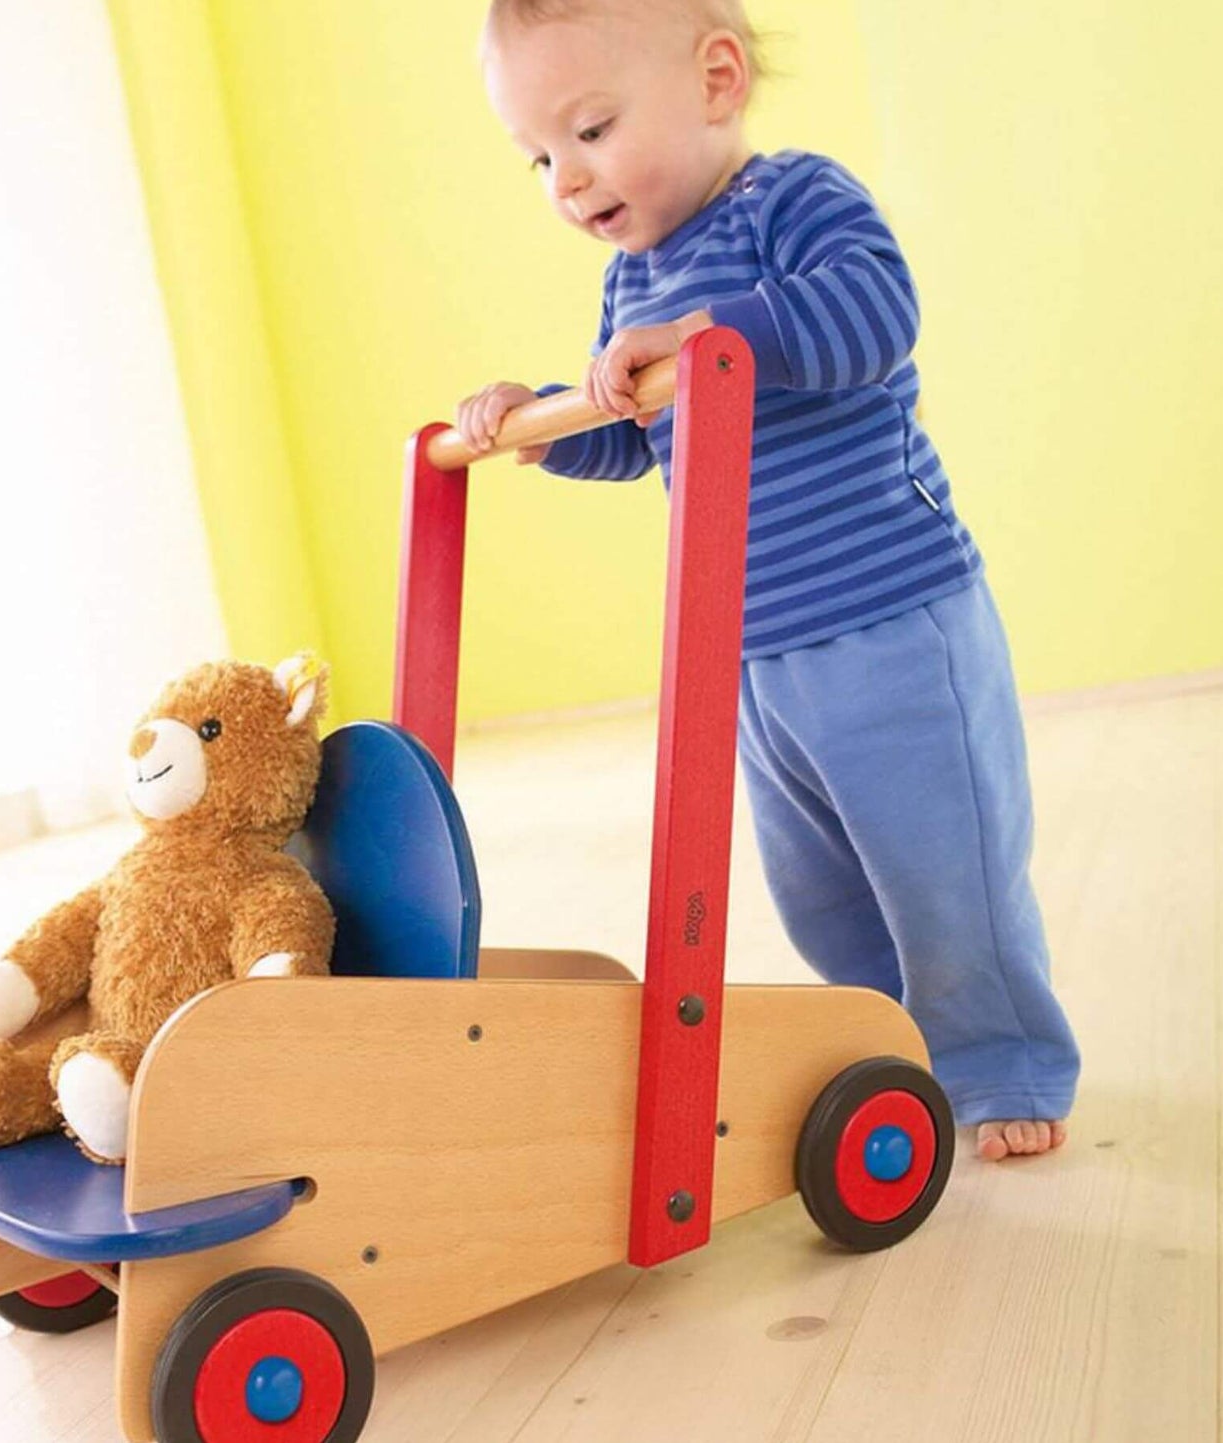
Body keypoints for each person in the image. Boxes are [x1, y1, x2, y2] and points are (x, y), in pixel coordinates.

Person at [456, 0, 1079, 1160]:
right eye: (539, 155)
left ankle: (1001, 1061)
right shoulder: (632, 280)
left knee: (943, 869)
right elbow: (642, 434)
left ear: (716, 79)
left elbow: (873, 315)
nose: (565, 177)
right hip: (750, 653)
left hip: (889, 620)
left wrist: (708, 331)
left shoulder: (793, 202)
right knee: (825, 894)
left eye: (589, 128)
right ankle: (890, 1041)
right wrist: (544, 422)